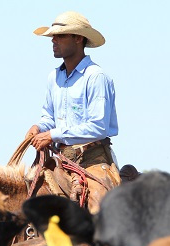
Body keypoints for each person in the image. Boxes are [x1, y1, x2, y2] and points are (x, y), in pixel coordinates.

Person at [26, 11, 119, 171]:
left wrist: (52, 135)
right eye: (53, 36)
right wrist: (39, 128)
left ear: (78, 38)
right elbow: (50, 117)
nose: (53, 40)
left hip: (93, 160)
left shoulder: (96, 76)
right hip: (61, 158)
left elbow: (98, 127)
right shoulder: (54, 77)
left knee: (97, 195)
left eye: (60, 36)